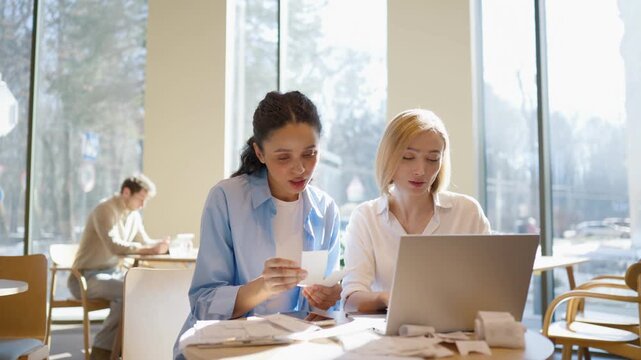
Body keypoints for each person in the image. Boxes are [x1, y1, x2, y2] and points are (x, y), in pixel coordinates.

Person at [173, 91, 342, 359]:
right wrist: (262, 287)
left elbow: (326, 307)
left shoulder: (326, 209)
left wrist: (329, 299)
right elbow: (203, 303)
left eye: (309, 154)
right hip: (227, 348)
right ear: (260, 153)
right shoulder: (226, 199)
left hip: (294, 348)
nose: (300, 169)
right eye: (284, 157)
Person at [341, 109, 491, 313]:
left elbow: (488, 289)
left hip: (456, 332)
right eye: (408, 157)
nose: (421, 170)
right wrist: (387, 298)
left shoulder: (467, 213)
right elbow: (351, 299)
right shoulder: (366, 217)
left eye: (432, 159)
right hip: (389, 335)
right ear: (389, 157)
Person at [68, 174, 169, 360]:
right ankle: (102, 352)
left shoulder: (134, 216)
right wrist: (148, 249)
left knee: (143, 289)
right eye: (141, 199)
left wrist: (164, 246)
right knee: (128, 291)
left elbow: (144, 242)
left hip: (112, 274)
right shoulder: (104, 210)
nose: (142, 205)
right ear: (126, 192)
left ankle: (123, 350)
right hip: (86, 276)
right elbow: (114, 245)